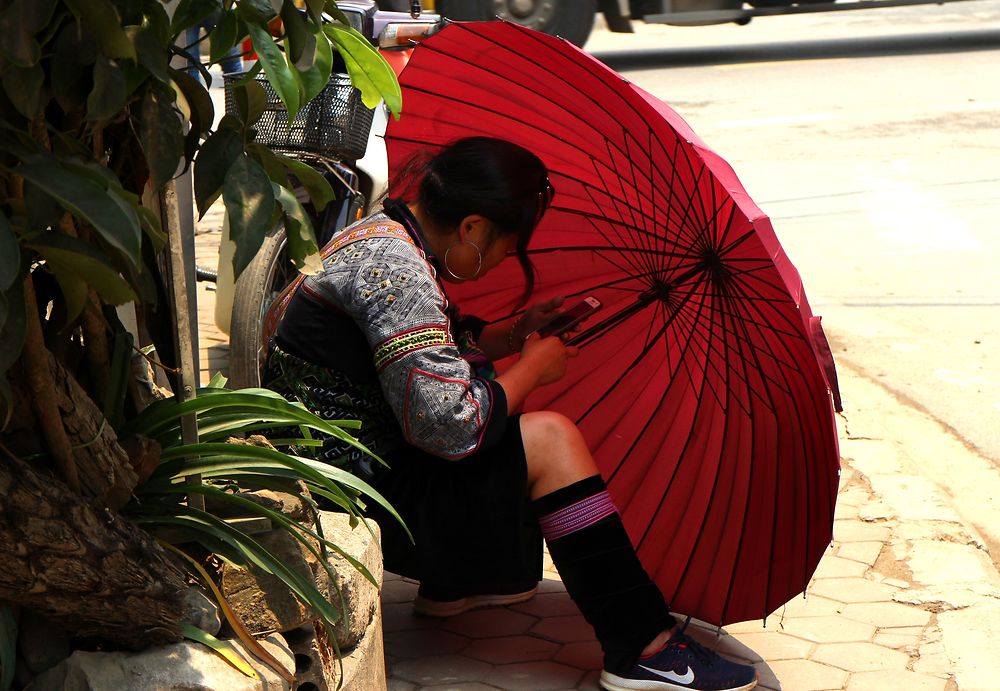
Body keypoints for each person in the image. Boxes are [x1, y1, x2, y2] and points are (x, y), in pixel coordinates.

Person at [262, 136, 758, 691]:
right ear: (473, 227)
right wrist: (530, 368)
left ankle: (455, 583)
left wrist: (513, 334)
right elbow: (447, 425)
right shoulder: (396, 269)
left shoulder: (384, 234)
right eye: (509, 245)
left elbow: (420, 350)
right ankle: (641, 646)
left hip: (342, 465)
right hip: (353, 493)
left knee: (512, 414)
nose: (504, 260)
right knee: (549, 436)